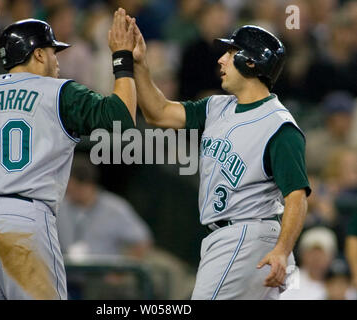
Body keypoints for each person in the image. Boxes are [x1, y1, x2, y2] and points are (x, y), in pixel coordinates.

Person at [0, 8, 137, 300]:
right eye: (54, 52)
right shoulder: (57, 92)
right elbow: (122, 118)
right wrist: (122, 57)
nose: (57, 60)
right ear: (38, 54)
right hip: (20, 222)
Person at [131, 23, 311, 299]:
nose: (221, 59)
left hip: (245, 234)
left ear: (251, 62)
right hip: (233, 238)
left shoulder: (279, 127)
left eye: (231, 51)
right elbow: (159, 113)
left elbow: (296, 197)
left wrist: (282, 250)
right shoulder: (218, 106)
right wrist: (140, 65)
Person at [56, 154, 153, 259]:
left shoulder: (114, 208)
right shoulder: (59, 207)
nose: (67, 192)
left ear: (86, 185)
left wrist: (119, 273)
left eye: (71, 187)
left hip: (102, 273)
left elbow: (142, 241)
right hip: (66, 272)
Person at [280, 227, 337, 300]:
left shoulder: (342, 283)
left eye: (321, 253)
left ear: (331, 256)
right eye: (312, 252)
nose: (317, 257)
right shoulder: (289, 281)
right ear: (302, 254)